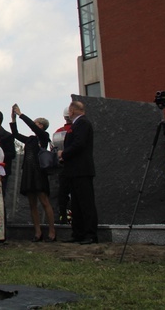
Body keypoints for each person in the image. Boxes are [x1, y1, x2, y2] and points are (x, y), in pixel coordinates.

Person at [11, 104, 56, 242]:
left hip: (39, 172)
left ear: (41, 126)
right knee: (32, 203)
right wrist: (13, 119)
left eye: (37, 123)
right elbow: (16, 135)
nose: (35, 125)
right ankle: (37, 232)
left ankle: (52, 231)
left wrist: (21, 114)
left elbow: (32, 126)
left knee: (44, 201)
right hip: (29, 172)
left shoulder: (43, 137)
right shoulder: (31, 139)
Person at [57, 101, 98, 244]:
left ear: (72, 111)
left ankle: (90, 234)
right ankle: (78, 233)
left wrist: (64, 153)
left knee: (85, 203)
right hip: (73, 170)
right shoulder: (76, 124)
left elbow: (79, 143)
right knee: (76, 204)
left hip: (82, 170)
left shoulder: (83, 123)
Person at [51, 106, 72, 224]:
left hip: (61, 165)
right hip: (75, 164)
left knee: (62, 192)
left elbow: (54, 149)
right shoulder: (76, 129)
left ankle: (63, 215)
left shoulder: (58, 132)